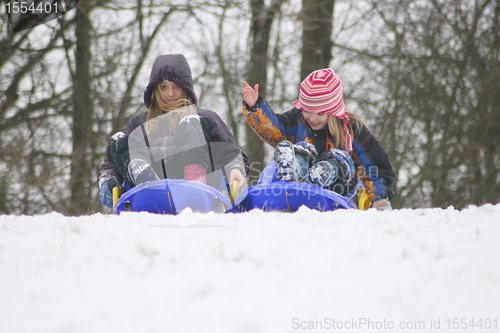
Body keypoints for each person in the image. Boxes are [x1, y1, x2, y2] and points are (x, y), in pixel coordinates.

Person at [98, 54, 248, 208]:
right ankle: (147, 181)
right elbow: (113, 164)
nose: (170, 94)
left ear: (186, 89)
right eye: (164, 87)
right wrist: (109, 181)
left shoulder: (205, 118)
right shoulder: (139, 124)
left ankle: (193, 184)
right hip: (149, 194)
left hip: (193, 192)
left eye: (176, 86)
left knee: (191, 123)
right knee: (118, 141)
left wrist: (235, 170)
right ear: (155, 89)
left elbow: (231, 152)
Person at [242, 68, 395, 210]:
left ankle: (322, 173)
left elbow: (374, 163)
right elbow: (276, 129)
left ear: (333, 111)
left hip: (339, 188)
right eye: (307, 111)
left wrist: (380, 198)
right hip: (301, 182)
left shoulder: (351, 128)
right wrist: (255, 107)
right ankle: (291, 172)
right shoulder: (299, 119)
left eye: (320, 114)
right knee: (301, 151)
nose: (313, 118)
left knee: (339, 160)